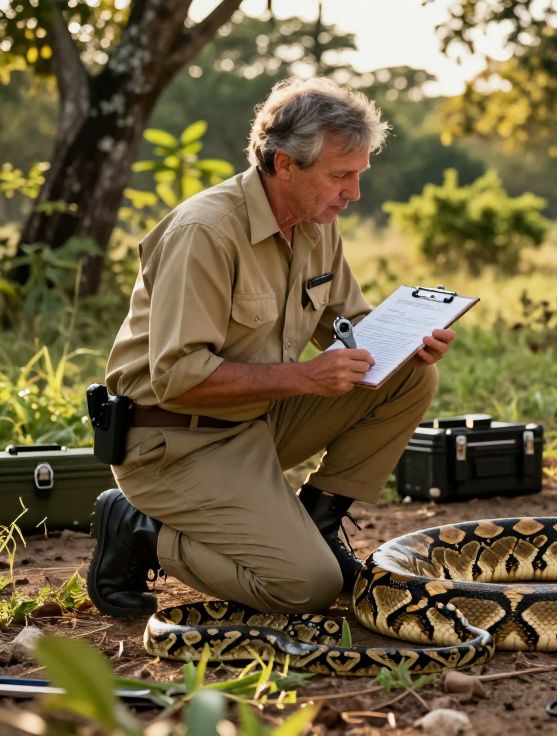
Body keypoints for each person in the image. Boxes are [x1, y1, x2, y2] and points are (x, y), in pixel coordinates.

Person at [87, 77, 454, 619]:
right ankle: (139, 527)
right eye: (340, 176)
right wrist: (306, 378)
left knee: (409, 375)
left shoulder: (316, 223)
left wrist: (409, 338)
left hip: (256, 422)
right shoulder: (205, 232)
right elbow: (178, 376)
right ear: (284, 164)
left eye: (358, 175)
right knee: (306, 587)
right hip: (171, 442)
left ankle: (318, 526)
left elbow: (347, 323)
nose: (353, 193)